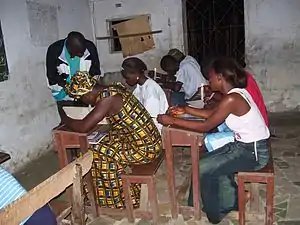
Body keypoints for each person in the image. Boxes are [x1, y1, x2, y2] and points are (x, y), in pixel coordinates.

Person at [157, 57, 270, 224]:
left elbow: (205, 126)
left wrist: (171, 121)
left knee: (204, 168)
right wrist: (186, 109)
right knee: (206, 160)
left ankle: (215, 213)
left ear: (220, 77)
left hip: (253, 153)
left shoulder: (232, 98)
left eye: (210, 77)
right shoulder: (234, 94)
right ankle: (228, 201)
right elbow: (213, 114)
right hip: (243, 146)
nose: (208, 81)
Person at [58, 71, 162, 208]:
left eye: (83, 99)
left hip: (145, 149)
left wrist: (65, 118)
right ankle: (100, 193)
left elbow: (83, 127)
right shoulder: (114, 88)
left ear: (88, 94)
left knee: (97, 153)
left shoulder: (107, 99)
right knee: (98, 144)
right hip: (149, 141)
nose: (87, 103)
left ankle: (117, 201)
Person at [46, 31, 101, 106]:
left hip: (85, 94)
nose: (82, 55)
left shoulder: (90, 47)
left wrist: (86, 87)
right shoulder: (54, 50)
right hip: (63, 96)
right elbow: (51, 76)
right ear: (69, 47)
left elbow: (96, 71)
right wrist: (69, 88)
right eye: (79, 52)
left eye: (83, 51)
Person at [121, 57, 169, 133]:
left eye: (127, 78)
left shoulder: (150, 90)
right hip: (144, 124)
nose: (126, 81)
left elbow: (150, 120)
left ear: (137, 74)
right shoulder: (139, 86)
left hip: (154, 130)